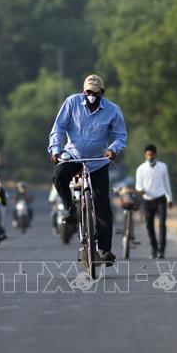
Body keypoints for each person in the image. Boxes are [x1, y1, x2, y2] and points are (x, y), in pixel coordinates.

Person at [48, 74, 127, 265]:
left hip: (98, 161)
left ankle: (105, 249)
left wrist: (112, 149)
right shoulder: (72, 102)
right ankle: (70, 208)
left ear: (102, 93)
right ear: (83, 91)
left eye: (95, 92)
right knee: (59, 176)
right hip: (74, 156)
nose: (91, 95)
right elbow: (58, 127)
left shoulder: (112, 110)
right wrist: (56, 149)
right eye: (88, 92)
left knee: (102, 206)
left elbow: (120, 136)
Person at [135, 144, 173, 259]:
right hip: (148, 200)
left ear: (155, 154)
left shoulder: (163, 167)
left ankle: (162, 250)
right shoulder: (141, 169)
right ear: (145, 155)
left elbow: (167, 183)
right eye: (148, 154)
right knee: (149, 225)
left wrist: (169, 199)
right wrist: (140, 191)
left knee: (162, 224)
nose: (150, 156)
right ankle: (154, 248)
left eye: (152, 154)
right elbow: (138, 185)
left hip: (160, 198)